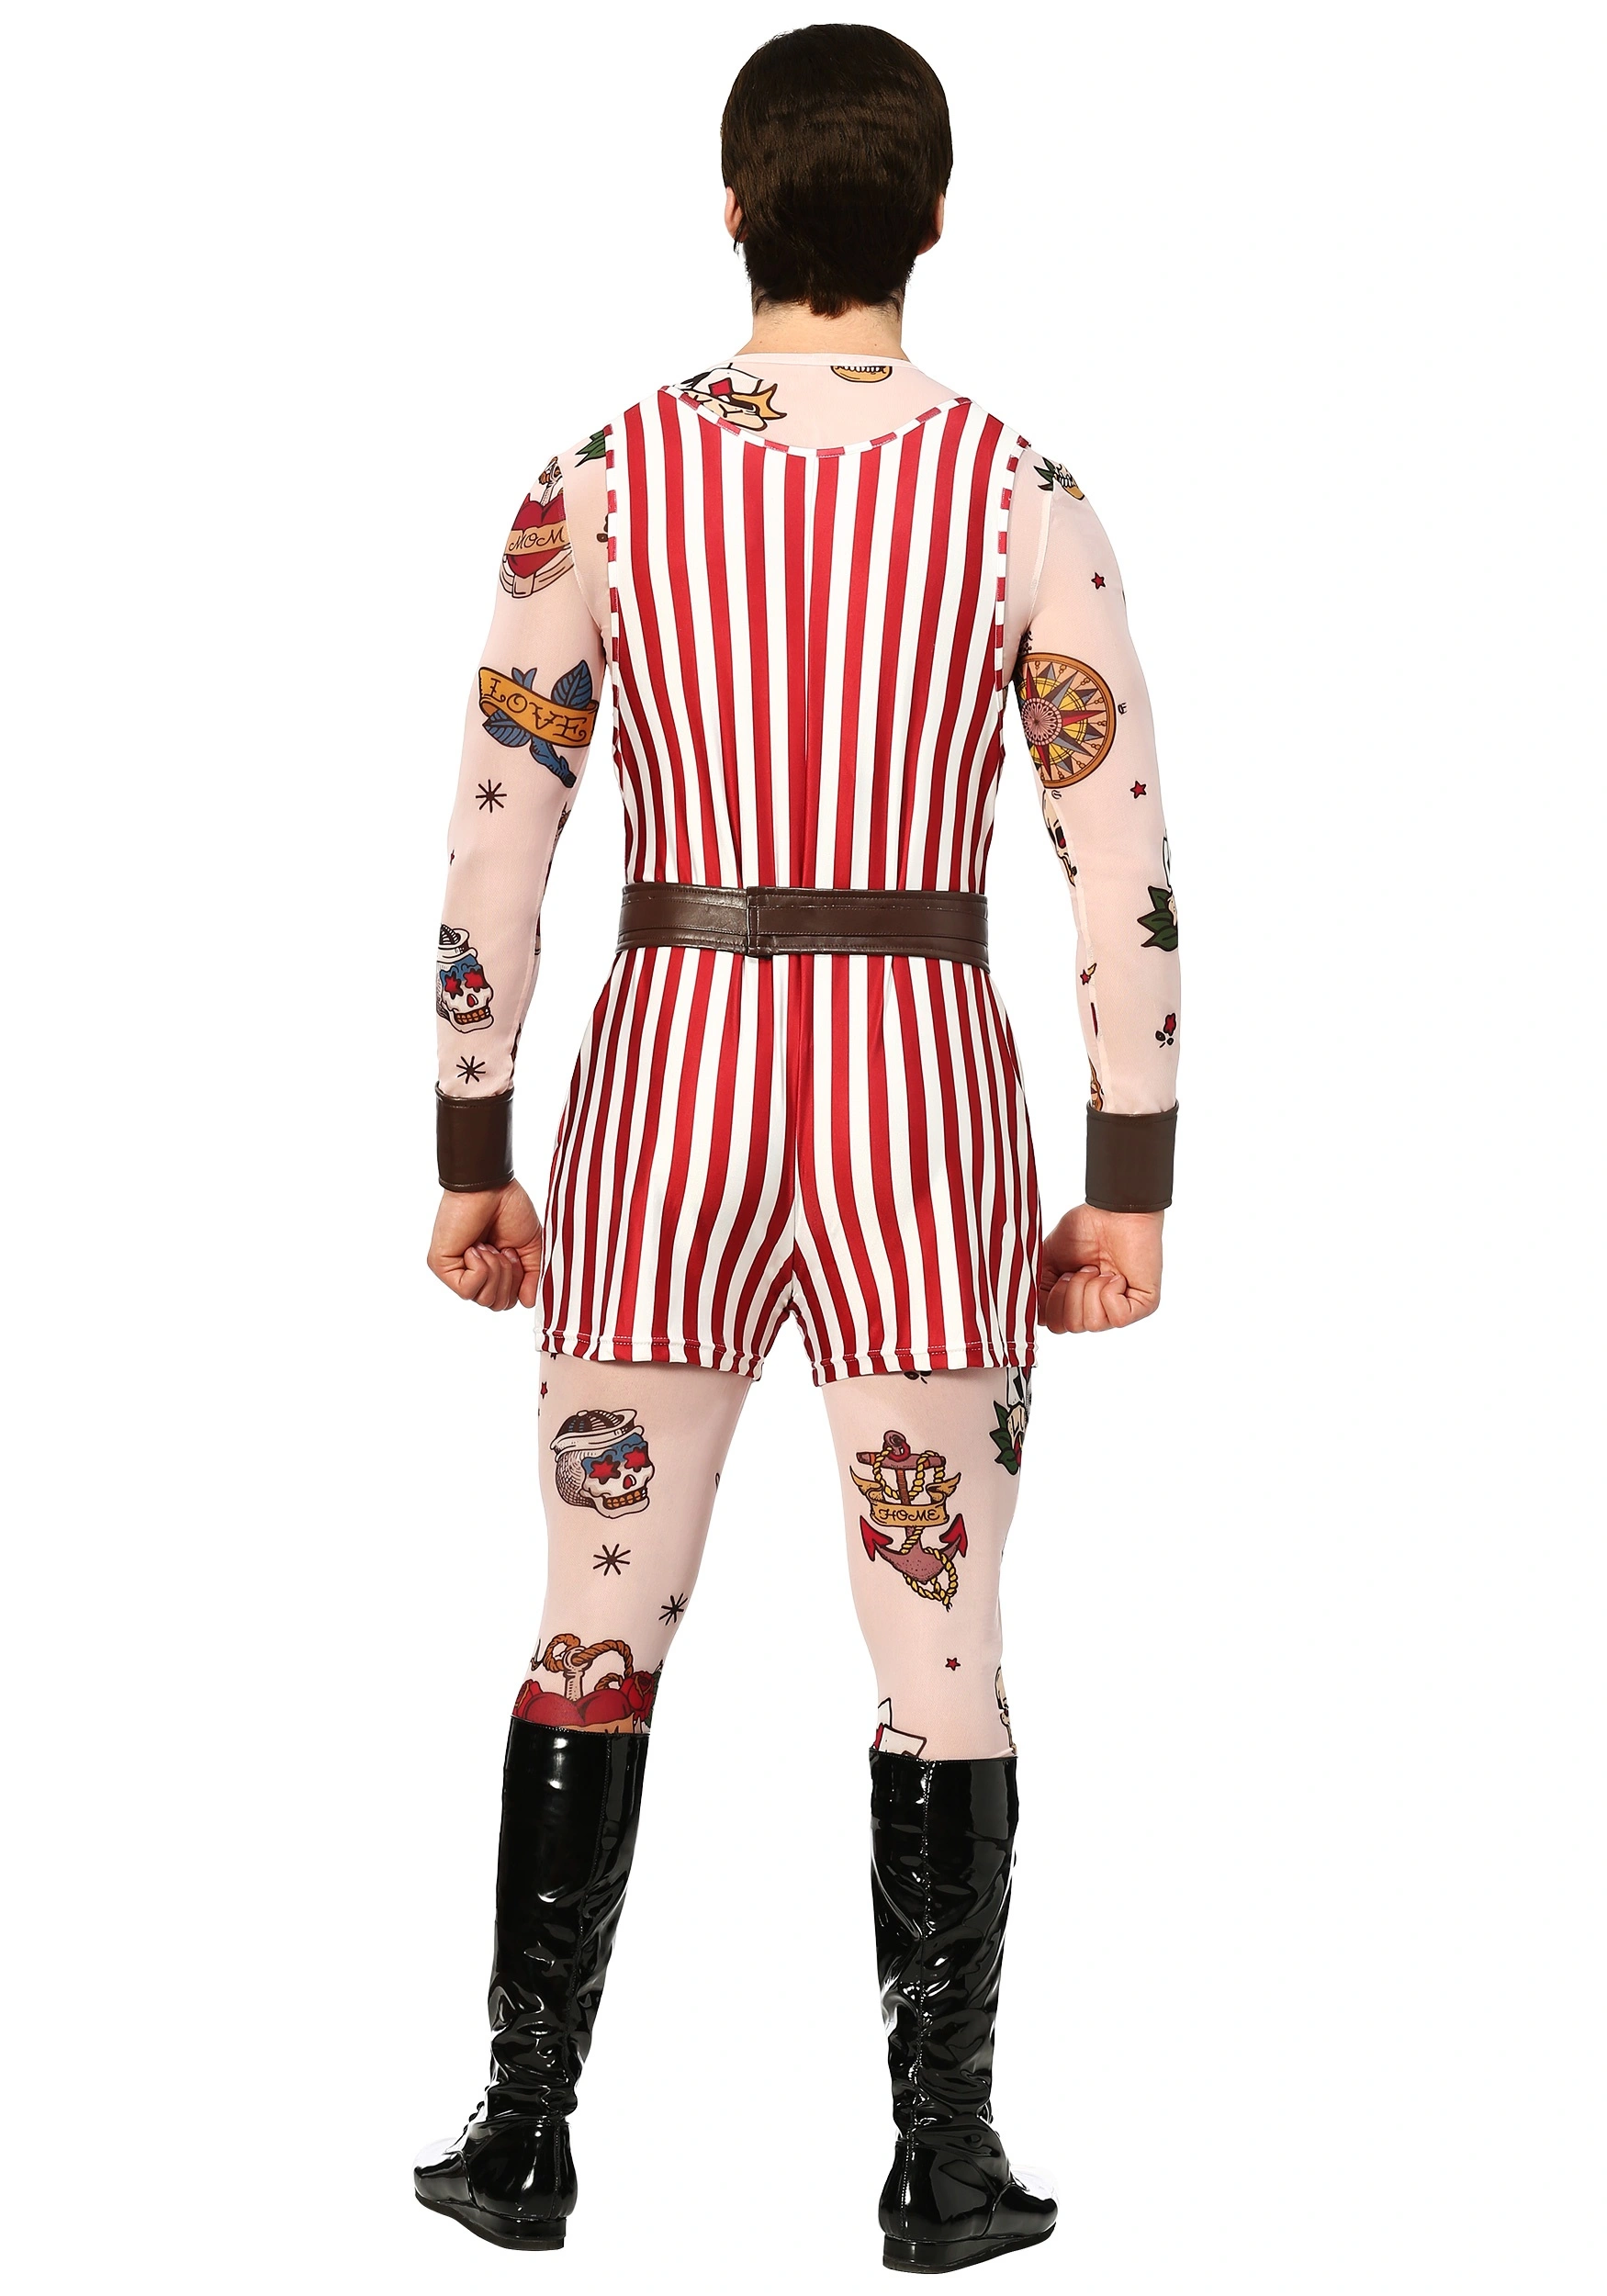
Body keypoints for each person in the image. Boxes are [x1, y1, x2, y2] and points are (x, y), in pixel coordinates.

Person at [414, 23, 1181, 2272]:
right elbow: (1118, 853)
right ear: (933, 217)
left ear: (732, 207)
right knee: (940, 1636)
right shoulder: (1022, 493)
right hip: (918, 1098)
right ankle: (940, 2157)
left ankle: (522, 2129)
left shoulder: (599, 478)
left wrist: (471, 1135)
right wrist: (1130, 1174)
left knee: (590, 1615)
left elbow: (495, 841)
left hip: (661, 1084)